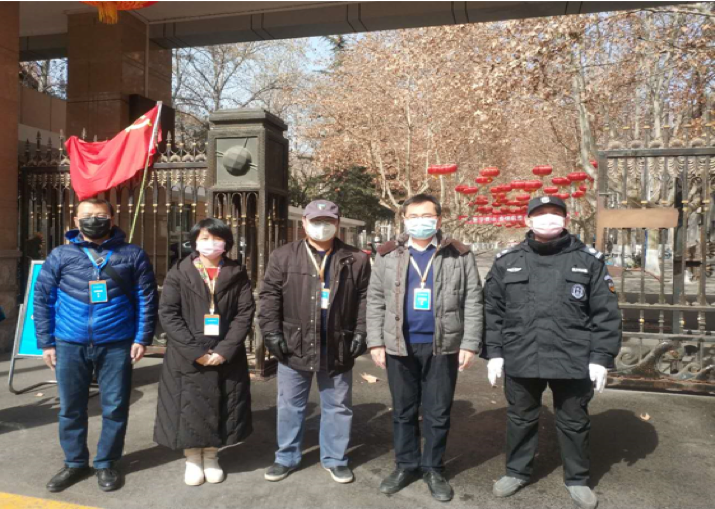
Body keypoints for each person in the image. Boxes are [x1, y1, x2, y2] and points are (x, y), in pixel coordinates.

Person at [483, 195, 621, 509]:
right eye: (541, 213)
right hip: (521, 353)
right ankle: (516, 471)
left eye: (555, 213)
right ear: (528, 221)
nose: (548, 219)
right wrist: (495, 353)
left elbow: (606, 313)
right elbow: (493, 311)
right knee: (520, 418)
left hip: (572, 356)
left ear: (566, 220)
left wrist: (601, 358)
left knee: (574, 421)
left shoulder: (589, 260)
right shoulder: (507, 261)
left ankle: (577, 478)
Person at [34, 197, 158, 493]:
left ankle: (107, 462)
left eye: (100, 215)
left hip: (116, 342)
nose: (93, 220)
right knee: (71, 408)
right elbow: (43, 299)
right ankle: (75, 463)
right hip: (69, 343)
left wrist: (142, 338)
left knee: (115, 407)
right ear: (76, 221)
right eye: (87, 215)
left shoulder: (132, 254)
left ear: (112, 219)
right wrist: (46, 342)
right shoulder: (60, 255)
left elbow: (147, 298)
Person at [366, 193, 483, 502]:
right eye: (413, 216)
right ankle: (405, 465)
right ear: (404, 220)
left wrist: (470, 343)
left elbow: (473, 300)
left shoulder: (459, 255)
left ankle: (433, 467)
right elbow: (375, 299)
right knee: (403, 410)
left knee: (438, 411)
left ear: (439, 219)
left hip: (442, 345)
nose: (420, 222)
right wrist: (375, 341)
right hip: (399, 345)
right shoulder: (388, 254)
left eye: (427, 216)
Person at [258, 199, 371, 484]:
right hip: (294, 341)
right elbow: (269, 295)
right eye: (316, 221)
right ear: (305, 223)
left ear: (338, 223)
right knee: (290, 404)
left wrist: (362, 331)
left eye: (328, 221)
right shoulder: (284, 255)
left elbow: (366, 298)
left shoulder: (356, 258)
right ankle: (286, 456)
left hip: (337, 342)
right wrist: (271, 332)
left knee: (338, 405)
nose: (322, 226)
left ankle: (335, 458)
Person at [154, 218, 255, 486]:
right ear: (194, 242)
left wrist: (225, 349)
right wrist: (195, 350)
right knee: (188, 406)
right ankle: (192, 458)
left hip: (225, 353)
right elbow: (169, 313)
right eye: (204, 238)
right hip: (187, 354)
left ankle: (211, 456)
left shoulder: (236, 273)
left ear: (226, 243)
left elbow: (245, 313)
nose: (211, 244)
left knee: (222, 404)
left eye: (216, 238)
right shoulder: (178, 272)